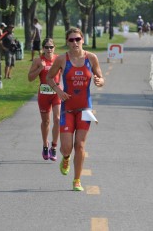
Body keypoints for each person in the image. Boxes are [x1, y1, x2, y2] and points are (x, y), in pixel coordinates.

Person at [46, 27, 104, 191]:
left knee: (80, 145)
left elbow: (100, 76)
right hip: (67, 108)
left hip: (85, 108)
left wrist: (100, 81)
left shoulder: (91, 58)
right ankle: (65, 157)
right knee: (67, 147)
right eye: (71, 40)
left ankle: (77, 180)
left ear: (82, 40)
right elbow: (49, 77)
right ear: (67, 42)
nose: (75, 42)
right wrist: (58, 91)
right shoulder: (62, 59)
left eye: (77, 39)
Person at [28, 38, 61, 161]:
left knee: (57, 120)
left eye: (51, 47)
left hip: (56, 92)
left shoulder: (58, 59)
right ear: (43, 48)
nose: (49, 49)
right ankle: (45, 144)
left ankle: (54, 146)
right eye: (46, 47)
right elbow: (30, 78)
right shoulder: (38, 61)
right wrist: (39, 69)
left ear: (54, 48)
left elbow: (65, 74)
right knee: (46, 122)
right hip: (44, 93)